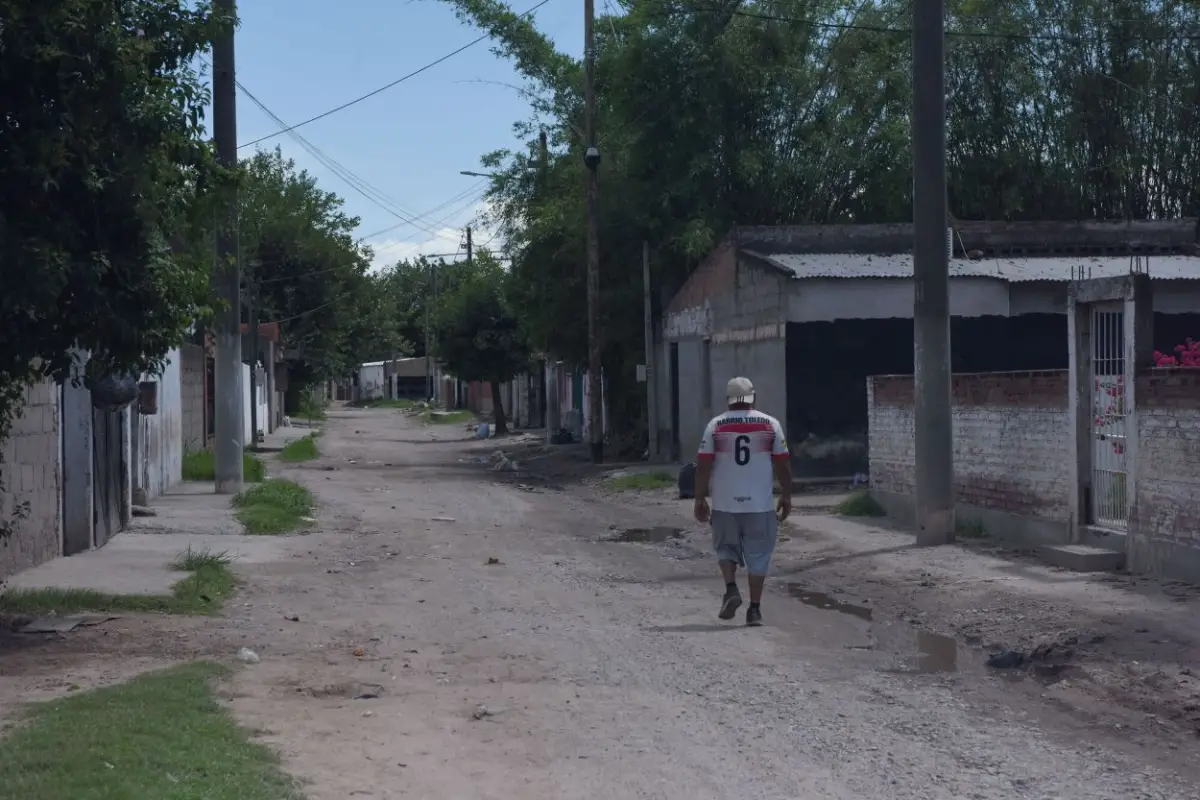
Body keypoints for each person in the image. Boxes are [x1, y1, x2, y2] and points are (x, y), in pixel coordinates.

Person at [693, 377, 792, 627]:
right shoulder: (770, 424)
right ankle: (755, 610)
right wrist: (787, 494)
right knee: (759, 555)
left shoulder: (715, 426)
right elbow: (782, 462)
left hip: (725, 504)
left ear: (728, 400)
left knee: (725, 548)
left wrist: (699, 497)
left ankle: (731, 589)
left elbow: (703, 464)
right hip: (760, 506)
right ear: (753, 397)